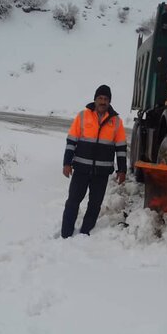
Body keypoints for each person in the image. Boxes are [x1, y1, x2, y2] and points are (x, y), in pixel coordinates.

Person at [61, 85, 127, 238]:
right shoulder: (83, 116)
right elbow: (71, 141)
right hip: (81, 170)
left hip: (101, 173)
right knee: (72, 202)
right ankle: (65, 233)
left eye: (106, 99)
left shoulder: (116, 121)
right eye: (100, 98)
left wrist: (122, 170)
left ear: (109, 101)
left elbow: (121, 148)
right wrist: (66, 163)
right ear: (95, 99)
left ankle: (85, 232)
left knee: (95, 204)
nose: (103, 102)